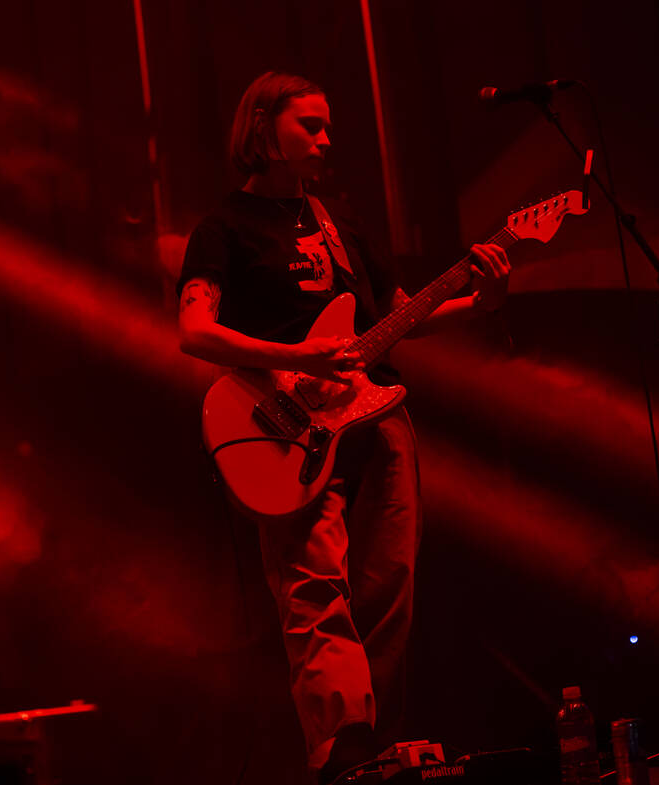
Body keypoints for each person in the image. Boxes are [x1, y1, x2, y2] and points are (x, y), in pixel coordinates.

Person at [176, 71, 511, 784]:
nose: (328, 139)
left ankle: (379, 752)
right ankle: (343, 753)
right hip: (285, 426)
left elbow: (397, 314)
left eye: (328, 125)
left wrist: (479, 300)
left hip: (377, 417)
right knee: (312, 587)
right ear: (263, 129)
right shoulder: (224, 228)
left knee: (392, 583)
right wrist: (298, 355)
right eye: (311, 125)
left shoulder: (341, 225)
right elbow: (194, 329)